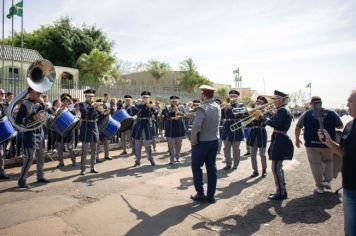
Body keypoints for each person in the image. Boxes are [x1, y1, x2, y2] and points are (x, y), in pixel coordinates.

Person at [318, 89, 356, 236]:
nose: (347, 104)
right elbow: (342, 152)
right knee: (350, 231)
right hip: (349, 189)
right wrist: (328, 141)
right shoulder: (349, 125)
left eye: (350, 101)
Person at [295, 96, 343, 193]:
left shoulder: (307, 113)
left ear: (312, 103)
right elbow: (340, 126)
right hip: (327, 143)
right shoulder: (331, 112)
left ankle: (319, 187)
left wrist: (297, 139)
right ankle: (328, 181)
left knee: (315, 164)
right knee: (329, 161)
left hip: (311, 144)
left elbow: (298, 127)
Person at [255, 90, 293, 200]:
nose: (273, 101)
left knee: (276, 168)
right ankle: (281, 190)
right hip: (278, 138)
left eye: (275, 99)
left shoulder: (282, 110)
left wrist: (262, 117)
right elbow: (271, 121)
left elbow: (276, 124)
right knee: (277, 168)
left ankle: (281, 192)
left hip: (279, 139)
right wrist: (262, 117)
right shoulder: (281, 109)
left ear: (281, 99)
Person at [190, 85, 221, 203]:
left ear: (203, 95)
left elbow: (196, 127)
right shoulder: (217, 106)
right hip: (214, 140)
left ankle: (200, 193)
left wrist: (193, 141)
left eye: (201, 94)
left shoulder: (202, 108)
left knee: (196, 167)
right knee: (211, 168)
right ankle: (211, 196)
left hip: (203, 142)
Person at [16, 88, 50, 188]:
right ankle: (22, 180)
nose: (39, 95)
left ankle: (40, 176)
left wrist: (44, 104)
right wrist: (31, 118)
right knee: (29, 158)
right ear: (31, 93)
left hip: (40, 132)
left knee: (41, 157)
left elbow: (48, 113)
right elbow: (18, 120)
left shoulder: (40, 105)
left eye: (40, 93)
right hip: (29, 134)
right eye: (37, 93)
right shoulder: (24, 104)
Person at [221, 89, 247, 170]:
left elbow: (241, 115)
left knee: (236, 149)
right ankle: (228, 164)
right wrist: (224, 108)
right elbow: (222, 116)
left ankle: (235, 164)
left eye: (234, 96)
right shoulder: (226, 105)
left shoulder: (241, 105)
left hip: (236, 128)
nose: (232, 98)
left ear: (237, 97)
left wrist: (231, 108)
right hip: (227, 127)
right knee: (226, 148)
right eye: (231, 96)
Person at [131, 91, 157, 167]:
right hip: (139, 126)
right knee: (137, 146)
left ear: (149, 98)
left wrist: (150, 108)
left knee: (147, 145)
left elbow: (156, 114)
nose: (145, 99)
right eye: (144, 97)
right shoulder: (137, 106)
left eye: (147, 98)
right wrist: (141, 106)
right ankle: (138, 160)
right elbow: (133, 112)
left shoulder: (152, 106)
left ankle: (150, 158)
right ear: (141, 98)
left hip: (147, 127)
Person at [79, 89, 100, 175]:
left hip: (94, 127)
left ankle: (93, 167)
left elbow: (98, 115)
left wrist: (103, 111)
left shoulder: (95, 105)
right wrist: (93, 107)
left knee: (94, 150)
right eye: (89, 96)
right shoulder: (82, 104)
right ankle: (83, 168)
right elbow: (85, 111)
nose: (91, 98)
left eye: (92, 96)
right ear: (86, 96)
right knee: (85, 150)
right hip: (86, 127)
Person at [162, 96, 186, 165]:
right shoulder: (167, 108)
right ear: (170, 102)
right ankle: (171, 159)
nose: (174, 103)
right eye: (173, 101)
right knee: (171, 146)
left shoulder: (181, 107)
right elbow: (166, 116)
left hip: (179, 128)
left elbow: (185, 115)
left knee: (179, 145)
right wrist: (172, 111)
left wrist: (179, 113)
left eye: (176, 101)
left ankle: (177, 157)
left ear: (178, 101)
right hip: (170, 129)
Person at [248, 96, 269, 178]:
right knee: (252, 154)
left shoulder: (266, 111)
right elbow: (250, 122)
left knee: (262, 154)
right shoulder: (253, 110)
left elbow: (266, 121)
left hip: (261, 132)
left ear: (264, 104)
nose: (258, 103)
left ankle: (264, 169)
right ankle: (255, 170)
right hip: (254, 133)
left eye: (260, 102)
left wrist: (259, 115)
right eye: (257, 102)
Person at [56, 95, 77, 168]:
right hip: (61, 132)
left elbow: (75, 121)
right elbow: (56, 121)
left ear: (69, 102)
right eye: (64, 101)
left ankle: (74, 161)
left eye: (67, 101)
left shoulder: (71, 111)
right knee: (59, 148)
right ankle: (61, 162)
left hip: (69, 132)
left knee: (70, 148)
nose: (65, 102)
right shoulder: (59, 111)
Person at [95, 98, 112, 163]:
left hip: (104, 129)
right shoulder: (95, 111)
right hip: (97, 130)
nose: (101, 106)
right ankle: (96, 157)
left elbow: (107, 117)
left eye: (102, 105)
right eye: (100, 105)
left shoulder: (104, 110)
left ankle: (106, 156)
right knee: (97, 144)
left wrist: (107, 112)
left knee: (106, 142)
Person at [0, 89, 10, 179]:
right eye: (1, 93)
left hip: (4, 131)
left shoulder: (6, 104)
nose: (2, 95)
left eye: (3, 93)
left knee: (2, 153)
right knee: (1, 152)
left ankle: (2, 171)